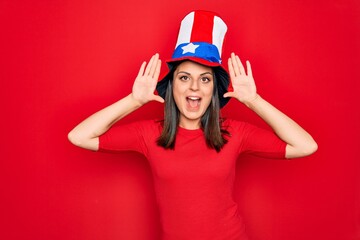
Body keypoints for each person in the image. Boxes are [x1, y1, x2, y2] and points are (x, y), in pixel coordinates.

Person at [68, 10, 317, 240]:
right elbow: (80, 137)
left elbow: (305, 145)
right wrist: (133, 101)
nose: (194, 87)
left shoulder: (234, 132)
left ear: (213, 90)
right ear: (172, 85)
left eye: (205, 79)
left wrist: (254, 101)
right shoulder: (149, 133)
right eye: (184, 77)